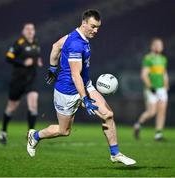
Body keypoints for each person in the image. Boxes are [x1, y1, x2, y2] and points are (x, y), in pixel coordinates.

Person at [27, 9, 136, 166]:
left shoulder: (75, 35)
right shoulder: (76, 44)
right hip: (67, 92)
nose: (96, 30)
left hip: (84, 85)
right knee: (64, 131)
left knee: (108, 115)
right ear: (84, 23)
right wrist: (84, 97)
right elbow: (75, 75)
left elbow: (55, 46)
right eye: (93, 26)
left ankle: (115, 153)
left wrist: (52, 67)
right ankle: (35, 136)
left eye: (98, 27)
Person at [0, 23, 43, 144]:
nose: (30, 31)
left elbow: (35, 57)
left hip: (31, 80)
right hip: (18, 80)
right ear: (23, 31)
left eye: (32, 29)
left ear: (34, 31)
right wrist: (23, 62)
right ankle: (3, 131)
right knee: (11, 108)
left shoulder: (36, 43)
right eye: (27, 29)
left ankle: (30, 134)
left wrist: (37, 61)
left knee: (33, 105)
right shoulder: (19, 43)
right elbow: (9, 57)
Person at [134, 38, 169, 140]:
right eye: (158, 44)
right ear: (153, 46)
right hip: (151, 88)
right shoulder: (148, 58)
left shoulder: (163, 59)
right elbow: (144, 75)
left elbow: (164, 73)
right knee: (152, 112)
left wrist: (166, 85)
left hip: (161, 88)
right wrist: (150, 87)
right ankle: (138, 124)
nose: (160, 46)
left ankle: (158, 134)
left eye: (161, 45)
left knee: (162, 111)